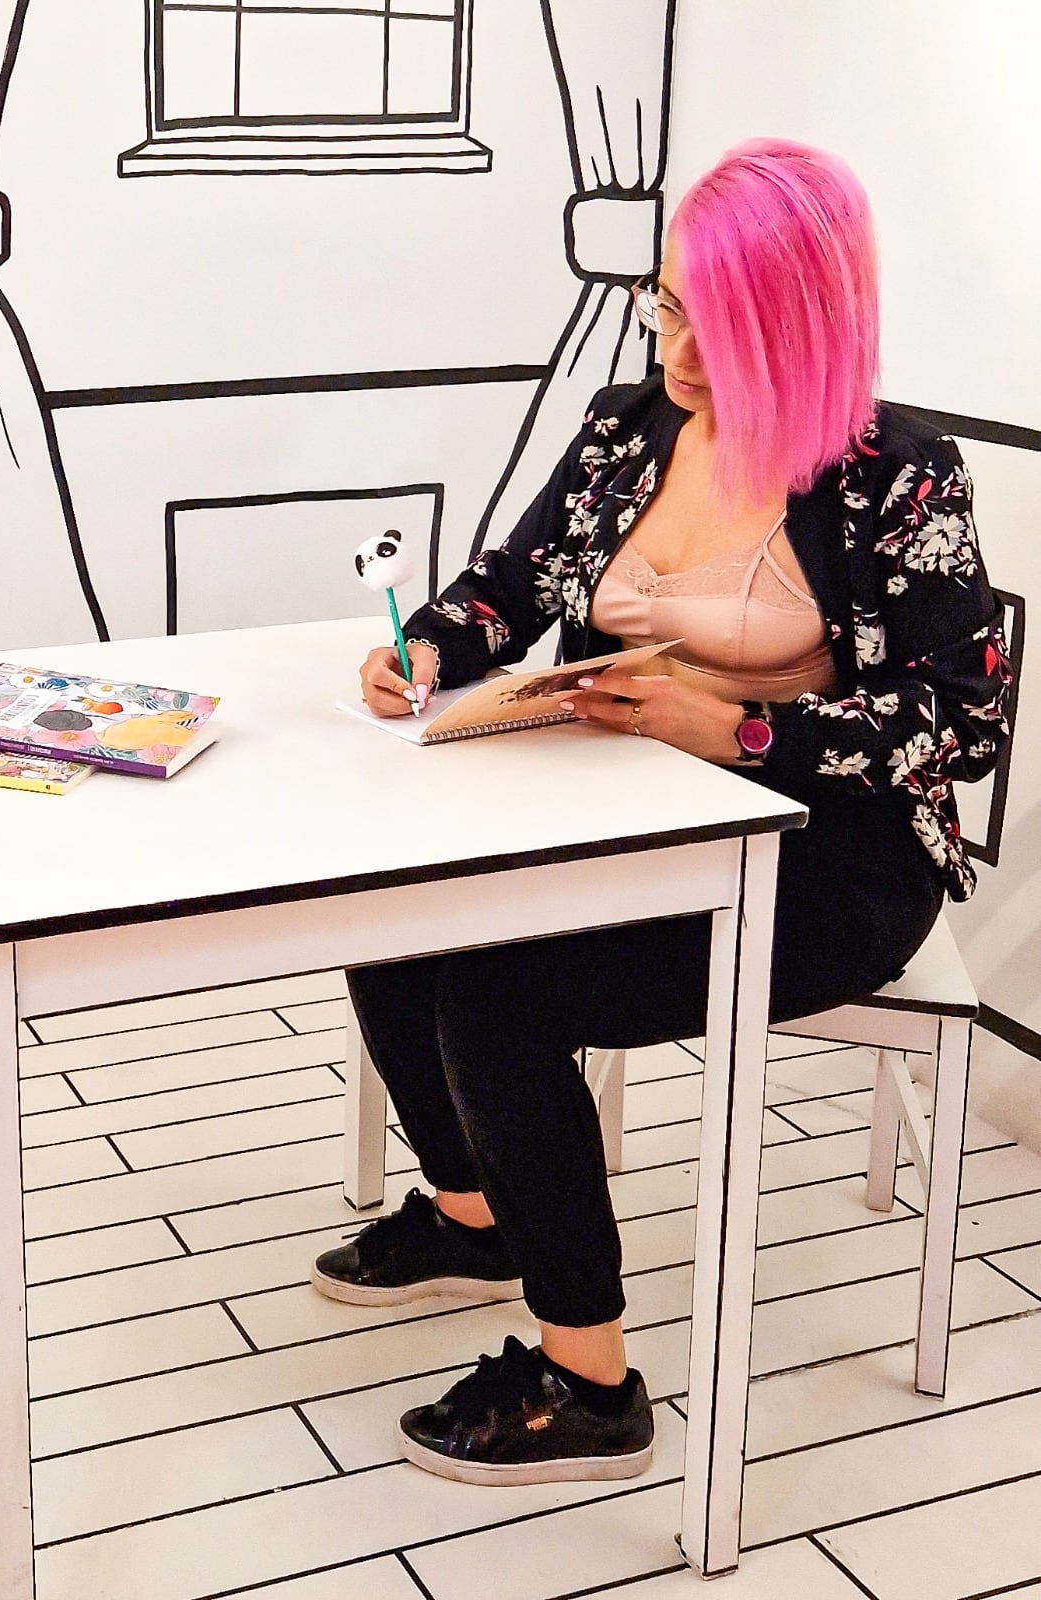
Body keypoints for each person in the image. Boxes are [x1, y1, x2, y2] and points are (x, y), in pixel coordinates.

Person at [312, 138, 1013, 1487]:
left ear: (801, 325)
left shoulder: (895, 476)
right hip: (622, 817)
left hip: (829, 864)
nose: (674, 344)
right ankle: (476, 1216)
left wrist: (741, 726)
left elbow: (960, 727)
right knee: (397, 923)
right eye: (669, 300)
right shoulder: (632, 429)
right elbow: (509, 587)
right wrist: (439, 651)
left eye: (715, 320)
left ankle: (589, 1384)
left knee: (497, 999)